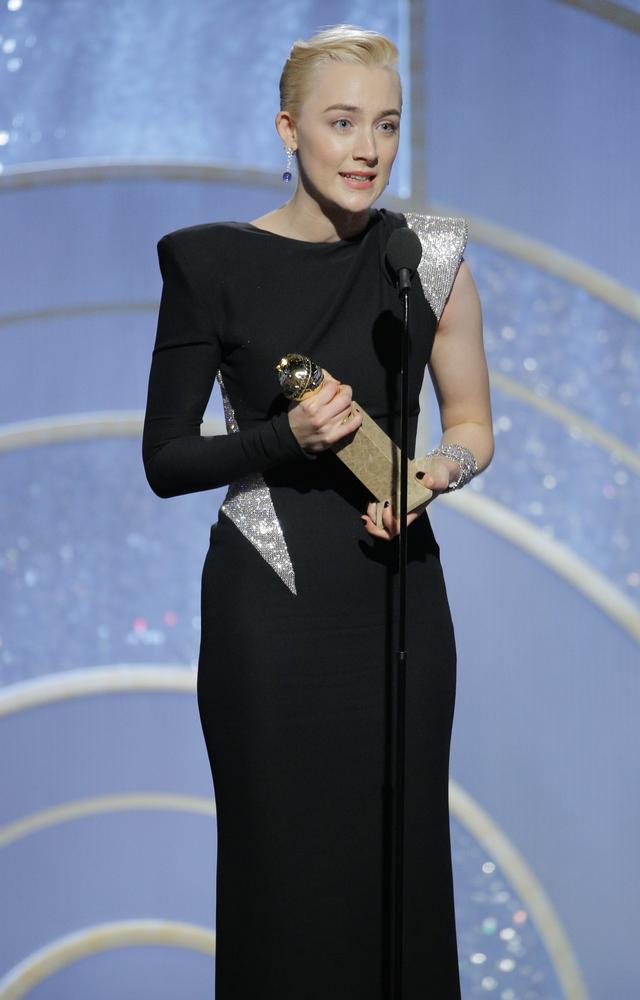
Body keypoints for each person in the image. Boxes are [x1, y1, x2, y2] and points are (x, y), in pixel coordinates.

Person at [142, 23, 494, 1000]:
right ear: (287, 130)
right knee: (284, 879)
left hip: (397, 602)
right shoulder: (209, 263)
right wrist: (280, 440)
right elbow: (165, 459)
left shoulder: (426, 258)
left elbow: (469, 420)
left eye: (384, 125)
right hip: (271, 606)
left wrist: (433, 475)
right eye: (341, 123)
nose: (365, 149)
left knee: (399, 863)